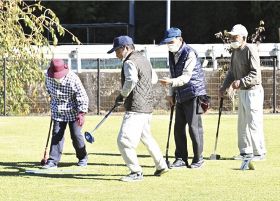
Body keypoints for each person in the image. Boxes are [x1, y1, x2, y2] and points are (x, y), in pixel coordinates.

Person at [107, 35, 168, 182]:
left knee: (124, 141)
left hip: (136, 107)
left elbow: (131, 80)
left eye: (117, 50)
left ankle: (136, 172)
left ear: (126, 48)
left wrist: (122, 96)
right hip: (147, 107)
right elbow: (153, 79)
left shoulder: (129, 62)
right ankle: (161, 165)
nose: (116, 54)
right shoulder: (143, 59)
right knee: (146, 137)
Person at [159, 27, 208, 169]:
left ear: (180, 39)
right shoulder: (171, 52)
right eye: (167, 42)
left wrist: (171, 83)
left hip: (194, 93)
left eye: (171, 41)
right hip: (180, 93)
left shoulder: (190, 53)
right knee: (178, 128)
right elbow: (173, 74)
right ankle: (180, 158)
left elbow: (186, 77)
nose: (169, 45)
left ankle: (198, 159)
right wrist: (170, 93)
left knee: (194, 128)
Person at [219, 24, 266, 160]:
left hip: (253, 91)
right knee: (242, 123)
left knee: (254, 122)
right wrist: (224, 86)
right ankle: (245, 152)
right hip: (243, 92)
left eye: (235, 36)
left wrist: (241, 82)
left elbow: (256, 74)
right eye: (231, 36)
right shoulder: (235, 51)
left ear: (243, 37)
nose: (232, 38)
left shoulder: (250, 49)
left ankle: (259, 152)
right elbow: (232, 72)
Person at [42, 59, 89, 169]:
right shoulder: (48, 77)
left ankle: (83, 158)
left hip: (74, 111)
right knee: (57, 134)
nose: (57, 77)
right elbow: (49, 90)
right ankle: (53, 161)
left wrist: (81, 113)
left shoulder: (73, 78)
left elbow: (82, 96)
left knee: (76, 135)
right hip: (58, 110)